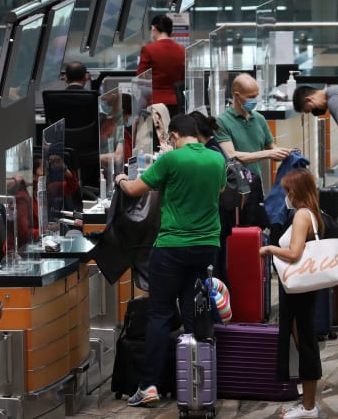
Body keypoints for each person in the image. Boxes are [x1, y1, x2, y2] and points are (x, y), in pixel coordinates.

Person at [114, 115, 226, 407]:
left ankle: (149, 385)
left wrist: (121, 178)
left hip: (172, 246)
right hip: (207, 246)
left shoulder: (170, 161)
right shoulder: (216, 159)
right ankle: (196, 382)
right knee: (195, 312)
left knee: (160, 314)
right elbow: (220, 190)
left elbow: (135, 190)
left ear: (174, 135)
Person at [259, 168, 324, 419]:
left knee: (305, 345)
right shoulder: (313, 214)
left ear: (297, 192)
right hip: (302, 289)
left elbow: (295, 253)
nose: (286, 195)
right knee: (304, 343)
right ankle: (307, 404)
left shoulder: (301, 216)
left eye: (288, 191)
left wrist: (270, 249)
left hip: (299, 291)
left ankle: (309, 407)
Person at [215, 73, 293, 226]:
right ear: (237, 95)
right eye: (251, 97)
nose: (255, 100)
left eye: (256, 96)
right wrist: (268, 153)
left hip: (256, 188)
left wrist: (285, 153)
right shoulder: (222, 122)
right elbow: (232, 156)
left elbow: (272, 149)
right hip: (235, 191)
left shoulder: (259, 119)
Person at [189, 111, 233, 288]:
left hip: (216, 219)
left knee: (214, 272)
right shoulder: (215, 148)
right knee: (219, 269)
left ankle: (218, 312)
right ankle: (222, 311)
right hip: (221, 219)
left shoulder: (210, 153)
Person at [137, 15, 185, 118]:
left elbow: (141, 77)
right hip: (176, 102)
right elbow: (183, 78)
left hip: (155, 103)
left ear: (153, 28)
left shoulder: (148, 50)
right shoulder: (182, 50)